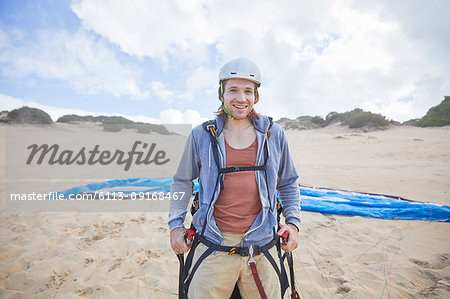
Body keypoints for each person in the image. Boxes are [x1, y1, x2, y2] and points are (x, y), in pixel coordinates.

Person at [169, 58, 301, 298]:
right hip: (214, 244)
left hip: (262, 243)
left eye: (248, 91)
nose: (241, 98)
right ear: (221, 93)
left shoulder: (275, 134)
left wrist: (293, 223)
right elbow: (182, 180)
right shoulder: (202, 135)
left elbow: (288, 182)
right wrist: (175, 225)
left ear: (256, 96)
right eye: (233, 90)